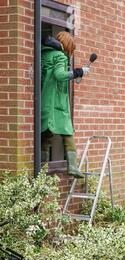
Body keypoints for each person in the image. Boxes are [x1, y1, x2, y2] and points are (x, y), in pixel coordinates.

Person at [41, 31, 90, 178]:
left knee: (46, 135)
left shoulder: (45, 55)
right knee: (68, 133)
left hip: (45, 101)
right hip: (57, 103)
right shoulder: (60, 56)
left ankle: (42, 168)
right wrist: (78, 71)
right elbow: (59, 75)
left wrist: (74, 74)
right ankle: (73, 167)